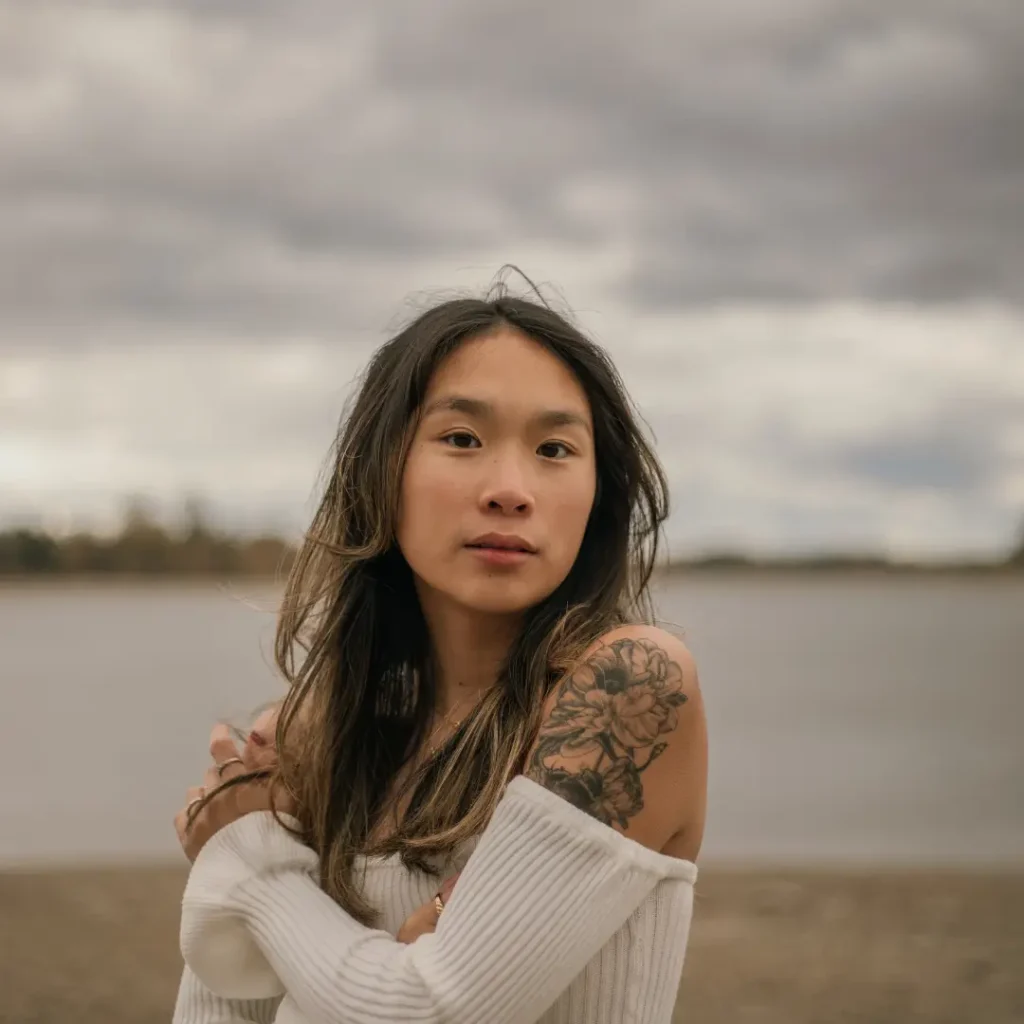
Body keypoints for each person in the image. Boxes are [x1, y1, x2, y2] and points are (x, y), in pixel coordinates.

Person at [171, 278, 708, 1024]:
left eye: (555, 448)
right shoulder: (319, 732)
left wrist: (251, 862)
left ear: (598, 494)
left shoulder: (629, 689)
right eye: (462, 438)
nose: (510, 490)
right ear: (381, 471)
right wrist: (378, 967)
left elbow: (430, 1011)